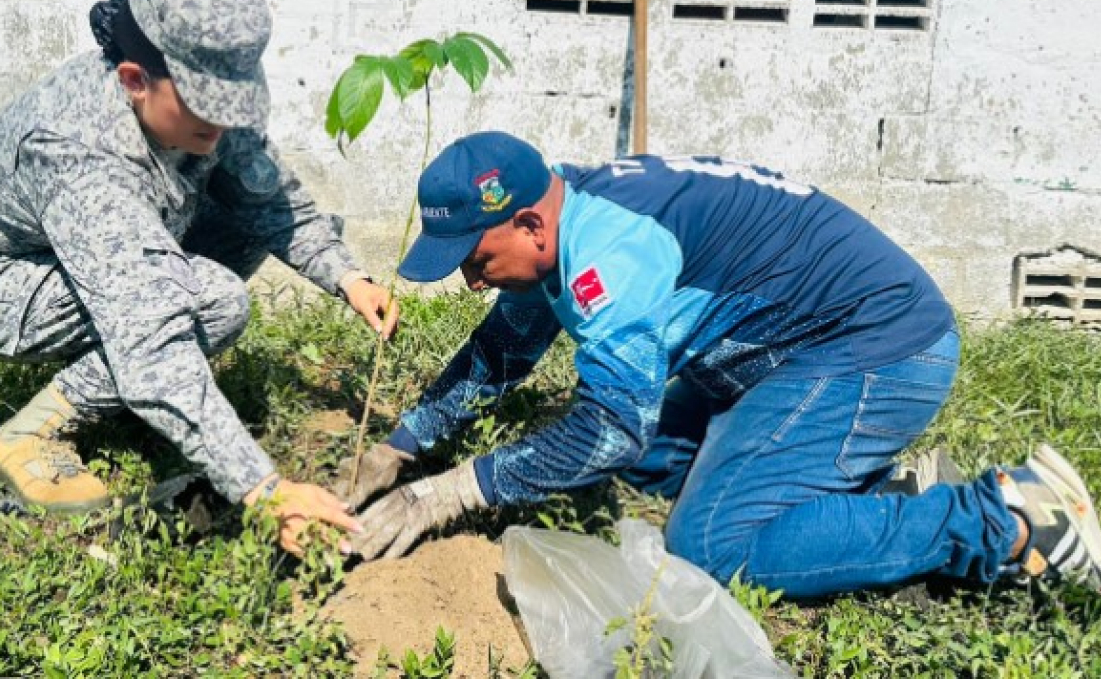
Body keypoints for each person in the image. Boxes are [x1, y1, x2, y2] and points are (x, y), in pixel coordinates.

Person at [341, 130, 1101, 598]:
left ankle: (1007, 523)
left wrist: (444, 495)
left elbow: (611, 429)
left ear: (530, 222)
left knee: (712, 544)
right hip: (794, 350)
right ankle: (862, 491)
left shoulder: (611, 258)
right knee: (638, 467)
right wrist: (400, 444)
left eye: (475, 260)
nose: (471, 282)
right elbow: (504, 349)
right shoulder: (569, 218)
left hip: (877, 348)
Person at [0, 0, 396, 555]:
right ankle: (33, 436)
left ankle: (148, 400)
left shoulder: (188, 103)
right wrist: (262, 488)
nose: (218, 133)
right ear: (135, 81)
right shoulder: (78, 154)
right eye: (204, 118)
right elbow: (151, 334)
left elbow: (263, 191)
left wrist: (346, 276)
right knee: (210, 301)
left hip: (66, 250)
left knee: (232, 218)